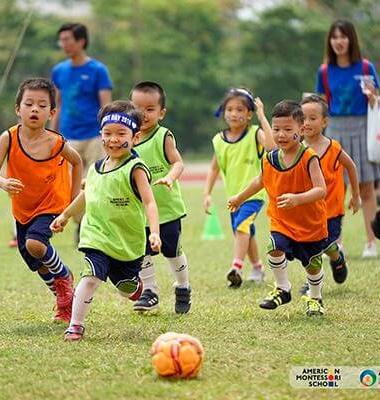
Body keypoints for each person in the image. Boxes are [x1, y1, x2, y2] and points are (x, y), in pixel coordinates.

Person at [50, 100, 162, 341]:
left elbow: (150, 202)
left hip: (127, 244)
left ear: (136, 137)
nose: (113, 139)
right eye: (107, 133)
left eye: (121, 133)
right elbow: (86, 195)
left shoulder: (136, 168)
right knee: (90, 277)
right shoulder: (96, 167)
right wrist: (66, 215)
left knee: (126, 289)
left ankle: (136, 287)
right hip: (96, 237)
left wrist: (154, 232)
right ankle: (76, 325)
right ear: (100, 134)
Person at [0, 78, 83, 323]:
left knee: (36, 244)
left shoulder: (56, 142)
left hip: (52, 203)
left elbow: (77, 161)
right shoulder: (8, 138)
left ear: (51, 113)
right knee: (36, 262)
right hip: (23, 208)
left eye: (42, 105)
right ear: (18, 109)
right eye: (29, 104)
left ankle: (64, 277)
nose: (34, 109)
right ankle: (64, 301)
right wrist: (2, 182)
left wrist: (72, 201)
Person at [228, 100, 328, 316]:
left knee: (312, 264)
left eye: (287, 129)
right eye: (276, 129)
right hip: (282, 221)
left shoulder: (308, 157)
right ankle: (283, 288)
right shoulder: (270, 158)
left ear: (301, 130)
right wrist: (239, 198)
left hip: (310, 223)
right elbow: (259, 181)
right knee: (274, 247)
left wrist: (298, 199)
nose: (281, 134)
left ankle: (316, 297)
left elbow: (321, 190)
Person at [316, 19, 380, 258]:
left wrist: (373, 96)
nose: (338, 42)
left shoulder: (365, 67)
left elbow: (376, 101)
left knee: (366, 187)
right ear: (330, 41)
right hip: (334, 129)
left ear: (351, 39)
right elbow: (320, 105)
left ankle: (371, 242)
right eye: (334, 37)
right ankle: (335, 243)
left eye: (343, 37)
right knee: (335, 188)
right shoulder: (324, 71)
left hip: (362, 127)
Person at [129, 81, 191, 314]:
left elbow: (178, 162)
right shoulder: (127, 139)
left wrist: (170, 178)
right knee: (142, 251)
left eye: (150, 109)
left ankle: (183, 286)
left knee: (171, 251)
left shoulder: (162, 135)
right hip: (140, 212)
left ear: (161, 113)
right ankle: (150, 291)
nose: (143, 114)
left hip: (166, 210)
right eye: (137, 108)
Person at [203, 88, 273, 288]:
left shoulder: (254, 134)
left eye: (240, 109)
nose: (234, 114)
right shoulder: (219, 140)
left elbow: (271, 146)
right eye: (230, 109)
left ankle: (236, 267)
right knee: (245, 232)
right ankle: (258, 268)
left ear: (249, 114)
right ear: (224, 112)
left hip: (253, 195)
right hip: (233, 198)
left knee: (242, 227)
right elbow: (214, 168)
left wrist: (262, 116)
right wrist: (206, 193)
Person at [51, 23, 113, 241]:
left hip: (95, 136)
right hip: (69, 136)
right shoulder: (59, 71)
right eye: (62, 40)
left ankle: (93, 226)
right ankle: (80, 222)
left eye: (68, 39)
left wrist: (108, 134)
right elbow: (56, 104)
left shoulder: (98, 70)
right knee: (71, 185)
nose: (64, 44)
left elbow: (106, 106)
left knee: (96, 182)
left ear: (81, 41)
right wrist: (53, 134)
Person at [299, 94, 360, 292]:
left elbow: (351, 167)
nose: (306, 123)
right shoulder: (297, 149)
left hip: (332, 211)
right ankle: (311, 282)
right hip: (309, 212)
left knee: (324, 246)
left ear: (324, 121)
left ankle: (336, 257)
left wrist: (356, 195)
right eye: (303, 118)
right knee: (311, 249)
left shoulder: (333, 148)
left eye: (312, 118)